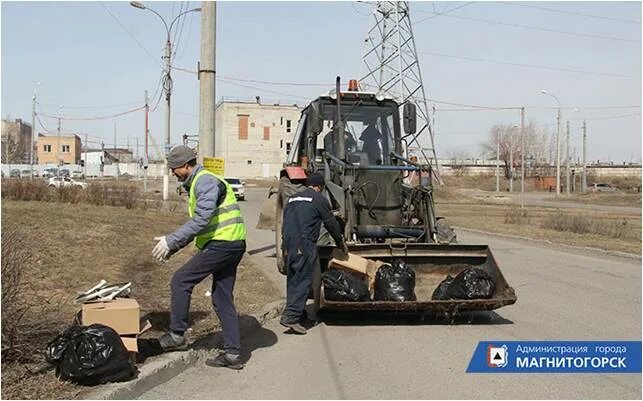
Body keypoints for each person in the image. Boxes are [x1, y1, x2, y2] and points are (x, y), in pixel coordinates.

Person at [152, 145, 247, 370]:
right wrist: (171, 247)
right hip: (232, 243)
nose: (173, 173)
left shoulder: (204, 181)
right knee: (222, 297)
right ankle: (233, 355)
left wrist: (171, 240)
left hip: (222, 244)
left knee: (181, 280)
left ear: (186, 166)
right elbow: (203, 225)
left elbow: (201, 220)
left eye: (175, 168)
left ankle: (177, 335)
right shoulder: (200, 181)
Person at [279, 172, 348, 334]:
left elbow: (285, 222)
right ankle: (291, 317)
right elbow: (330, 223)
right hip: (304, 243)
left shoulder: (292, 199)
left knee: (293, 278)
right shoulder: (319, 200)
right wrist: (340, 242)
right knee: (304, 279)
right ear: (320, 187)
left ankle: (300, 314)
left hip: (288, 244)